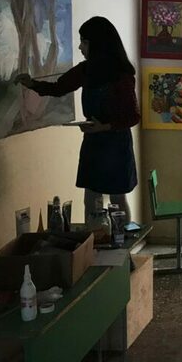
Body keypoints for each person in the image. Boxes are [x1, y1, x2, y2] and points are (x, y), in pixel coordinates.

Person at [15, 16, 140, 221]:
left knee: (117, 199)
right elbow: (58, 88)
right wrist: (32, 84)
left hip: (116, 143)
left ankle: (122, 239)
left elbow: (132, 116)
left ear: (97, 44)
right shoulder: (85, 70)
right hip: (93, 143)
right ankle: (94, 238)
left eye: (84, 42)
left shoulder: (121, 75)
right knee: (91, 198)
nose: (80, 47)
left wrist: (104, 127)